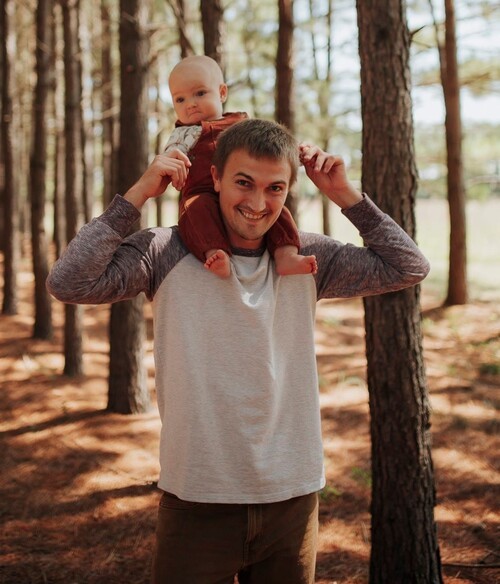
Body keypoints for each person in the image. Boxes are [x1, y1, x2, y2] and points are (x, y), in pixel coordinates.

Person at [46, 118, 430, 584]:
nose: (258, 203)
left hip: (291, 497)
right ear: (216, 177)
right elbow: (69, 282)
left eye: (275, 188)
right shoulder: (164, 251)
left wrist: (345, 195)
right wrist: (138, 194)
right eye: (244, 183)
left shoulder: (307, 258)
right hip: (197, 496)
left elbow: (409, 266)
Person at [164, 55, 317, 278]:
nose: (191, 104)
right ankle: (215, 253)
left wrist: (300, 153)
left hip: (243, 190)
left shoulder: (241, 124)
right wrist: (172, 167)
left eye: (200, 93)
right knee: (196, 211)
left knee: (278, 211)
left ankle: (286, 254)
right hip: (202, 192)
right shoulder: (181, 134)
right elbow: (171, 156)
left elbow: (269, 148)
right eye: (180, 99)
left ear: (222, 92)